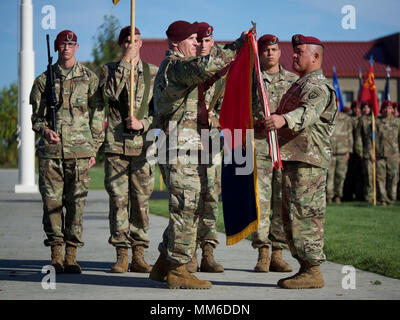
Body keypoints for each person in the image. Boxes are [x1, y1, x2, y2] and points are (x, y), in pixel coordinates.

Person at [149, 20, 247, 289]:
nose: (197, 43)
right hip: (179, 149)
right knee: (186, 207)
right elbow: (204, 67)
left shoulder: (180, 68)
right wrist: (237, 46)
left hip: (190, 147)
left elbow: (208, 77)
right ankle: (179, 269)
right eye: (192, 39)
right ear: (176, 43)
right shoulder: (175, 67)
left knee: (189, 206)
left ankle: (163, 264)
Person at [264, 34, 337, 289]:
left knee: (306, 216)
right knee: (292, 217)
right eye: (293, 51)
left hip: (308, 162)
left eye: (300, 52)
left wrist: (283, 119)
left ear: (315, 57)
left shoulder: (317, 87)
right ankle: (305, 269)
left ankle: (312, 270)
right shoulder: (298, 85)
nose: (293, 55)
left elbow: (307, 113)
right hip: (293, 160)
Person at [30, 30, 105, 274]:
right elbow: (35, 118)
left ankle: (71, 255)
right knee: (52, 204)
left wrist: (94, 146)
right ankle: (56, 254)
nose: (66, 48)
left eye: (71, 44)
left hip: (80, 152)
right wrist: (44, 130)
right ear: (56, 48)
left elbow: (98, 113)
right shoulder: (43, 80)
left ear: (77, 47)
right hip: (52, 153)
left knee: (76, 205)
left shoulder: (89, 78)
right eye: (63, 44)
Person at [99, 26, 159, 273]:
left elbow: (160, 112)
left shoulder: (153, 73)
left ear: (142, 43)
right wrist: (125, 62)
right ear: (120, 44)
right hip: (116, 146)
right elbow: (109, 93)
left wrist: (143, 123)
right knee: (118, 201)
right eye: (126, 41)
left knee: (141, 202)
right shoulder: (108, 70)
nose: (131, 44)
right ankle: (121, 253)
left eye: (135, 41)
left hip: (143, 147)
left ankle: (139, 253)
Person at [252, 34, 297, 273]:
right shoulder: (253, 81)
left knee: (282, 201)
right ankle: (263, 252)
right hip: (259, 146)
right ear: (259, 54)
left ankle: (278, 252)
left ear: (281, 53)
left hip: (284, 147)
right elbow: (241, 112)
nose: (270, 53)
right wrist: (255, 123)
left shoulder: (292, 81)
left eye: (274, 49)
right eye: (266, 50)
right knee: (261, 201)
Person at [184, 22, 225, 274]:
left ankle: (208, 251)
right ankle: (188, 253)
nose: (203, 46)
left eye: (208, 41)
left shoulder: (221, 73)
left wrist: (216, 119)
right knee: (187, 198)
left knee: (210, 196)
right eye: (199, 41)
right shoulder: (183, 67)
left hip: (210, 140)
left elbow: (227, 108)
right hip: (185, 140)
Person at [375, 100, 400, 205]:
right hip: (380, 154)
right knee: (381, 178)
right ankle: (383, 199)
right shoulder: (376, 122)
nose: (387, 110)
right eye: (385, 108)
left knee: (393, 177)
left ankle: (392, 197)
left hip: (394, 154)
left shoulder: (397, 122)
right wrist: (373, 153)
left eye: (389, 108)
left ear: (392, 110)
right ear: (382, 109)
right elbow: (372, 139)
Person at [327, 110, 353, 203]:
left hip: (343, 151)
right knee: (329, 175)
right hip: (330, 151)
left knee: (340, 175)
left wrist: (349, 150)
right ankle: (329, 196)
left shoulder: (346, 118)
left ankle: (338, 195)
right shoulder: (327, 115)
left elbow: (350, 134)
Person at [355, 102, 374, 203]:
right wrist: (360, 151)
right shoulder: (362, 120)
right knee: (369, 176)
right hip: (367, 151)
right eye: (364, 107)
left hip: (379, 152)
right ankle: (369, 196)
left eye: (368, 107)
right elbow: (358, 137)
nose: (366, 109)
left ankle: (379, 196)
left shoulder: (376, 119)